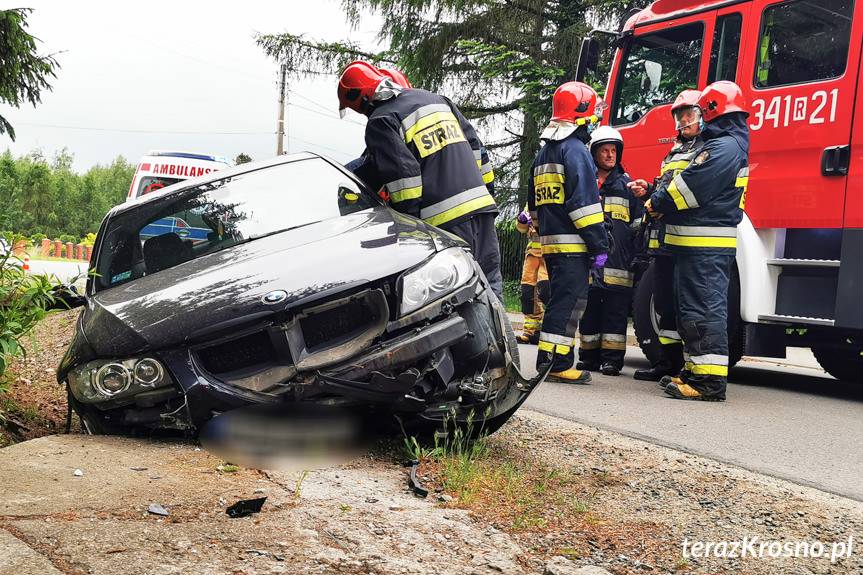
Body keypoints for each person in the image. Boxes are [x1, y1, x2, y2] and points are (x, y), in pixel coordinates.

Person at [337, 61, 503, 300]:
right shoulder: (437, 100)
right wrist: (486, 195)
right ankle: (500, 336)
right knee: (490, 280)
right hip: (482, 209)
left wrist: (411, 227)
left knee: (458, 292)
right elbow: (476, 148)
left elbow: (405, 179)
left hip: (443, 222)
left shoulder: (381, 120)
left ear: (359, 98)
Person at [643, 81, 749, 401]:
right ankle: (694, 370)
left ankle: (708, 383)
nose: (698, 118)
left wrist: (657, 202)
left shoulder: (723, 148)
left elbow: (688, 187)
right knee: (692, 308)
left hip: (705, 247)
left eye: (702, 111)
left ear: (713, 111)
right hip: (694, 246)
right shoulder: (723, 144)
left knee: (704, 309)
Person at [528, 81, 609, 384]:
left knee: (560, 301)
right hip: (575, 245)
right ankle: (557, 364)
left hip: (551, 243)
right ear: (583, 114)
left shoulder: (542, 155)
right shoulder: (575, 151)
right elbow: (584, 206)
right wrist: (599, 244)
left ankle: (551, 359)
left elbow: (534, 206)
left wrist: (545, 232)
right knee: (569, 302)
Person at [628, 89, 705, 382]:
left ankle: (690, 366)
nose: (684, 121)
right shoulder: (675, 150)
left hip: (686, 240)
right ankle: (668, 362)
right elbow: (666, 186)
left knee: (687, 303)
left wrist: (659, 202)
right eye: (681, 116)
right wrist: (648, 189)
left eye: (690, 115)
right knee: (662, 302)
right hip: (663, 240)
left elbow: (692, 192)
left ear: (701, 117)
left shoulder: (705, 149)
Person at [577, 126, 642, 376]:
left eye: (613, 150)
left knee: (615, 316)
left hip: (619, 266)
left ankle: (612, 361)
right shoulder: (586, 185)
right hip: (591, 265)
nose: (609, 155)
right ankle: (588, 357)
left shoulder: (628, 187)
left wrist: (636, 257)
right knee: (589, 313)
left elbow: (638, 226)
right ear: (594, 153)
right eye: (604, 150)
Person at [514, 205, 548, 344]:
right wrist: (522, 220)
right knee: (528, 293)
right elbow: (521, 229)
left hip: (548, 255)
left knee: (546, 292)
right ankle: (530, 332)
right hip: (532, 255)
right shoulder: (531, 202)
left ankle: (546, 329)